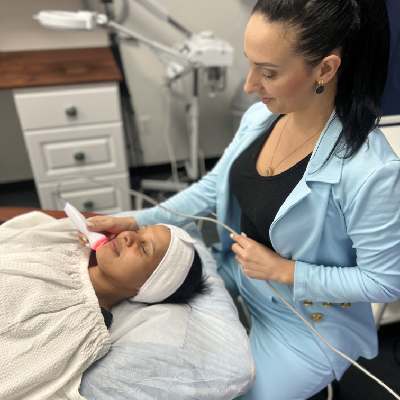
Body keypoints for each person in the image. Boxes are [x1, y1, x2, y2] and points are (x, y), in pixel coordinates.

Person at [83, 0, 400, 398]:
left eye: (268, 73)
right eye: (251, 64)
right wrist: (134, 220)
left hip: (307, 322)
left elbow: (386, 281)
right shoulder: (260, 119)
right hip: (236, 273)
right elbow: (211, 189)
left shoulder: (370, 172)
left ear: (325, 69)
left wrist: (283, 270)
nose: (250, 85)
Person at [82, 223, 209, 329]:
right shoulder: (81, 239)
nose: (127, 235)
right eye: (137, 232)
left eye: (144, 248)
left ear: (148, 286)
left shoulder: (90, 323)